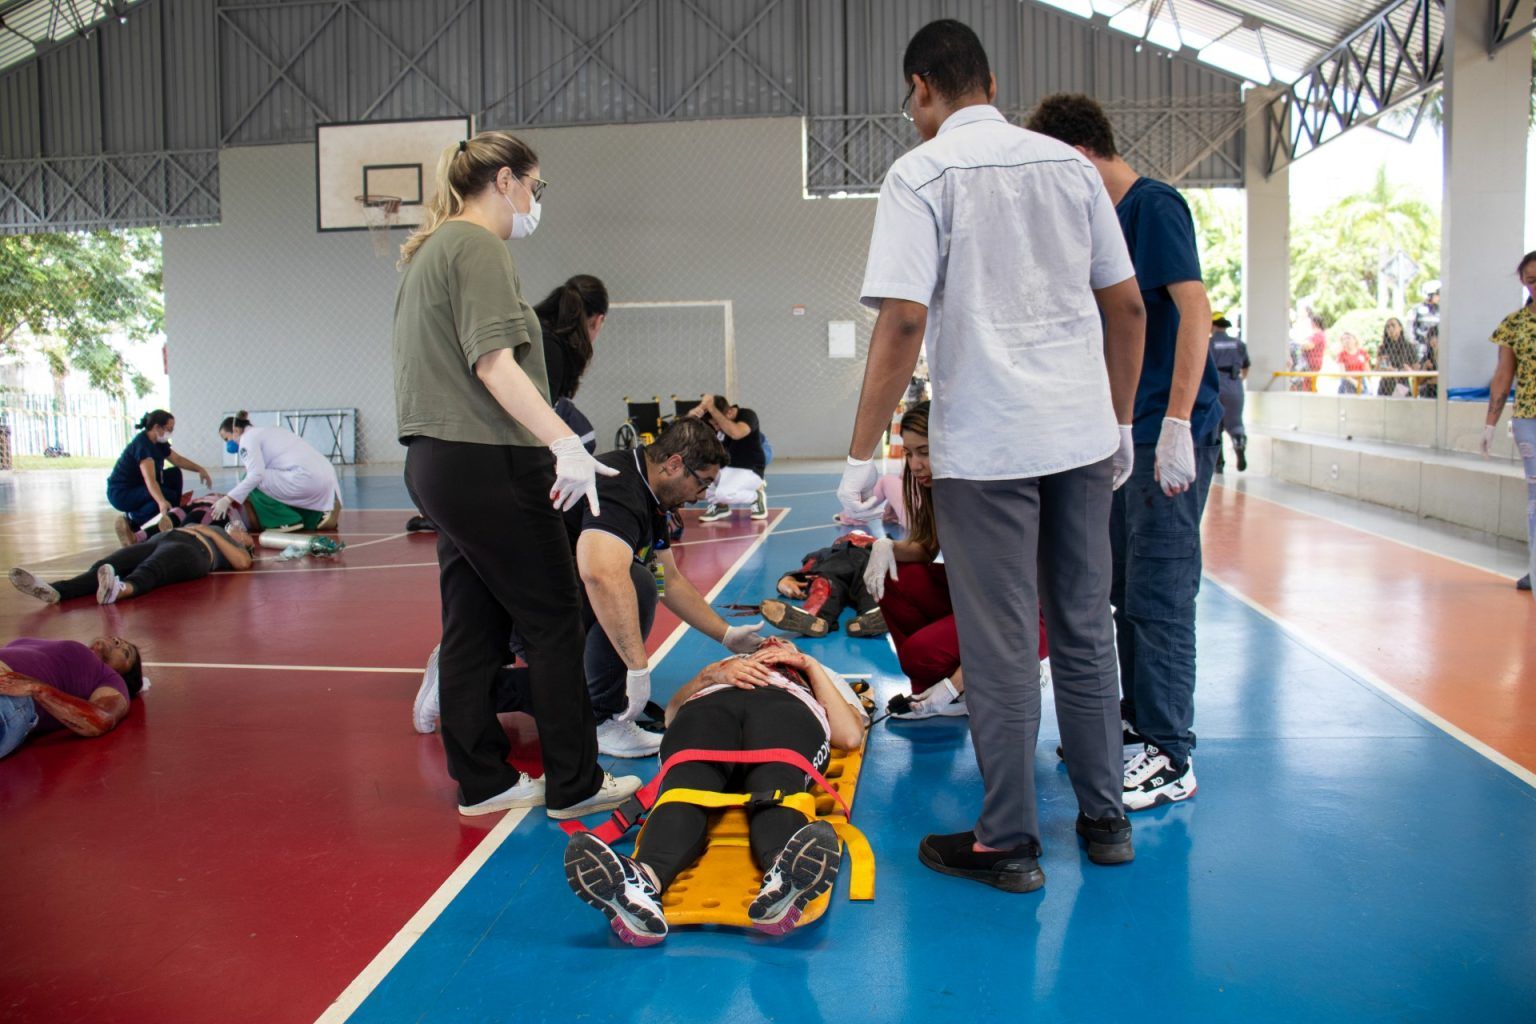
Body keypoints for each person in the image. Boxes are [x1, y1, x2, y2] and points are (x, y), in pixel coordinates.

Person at [838, 21, 1146, 891]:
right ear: (993, 82)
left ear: (921, 88)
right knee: (1086, 631)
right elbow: (1127, 310)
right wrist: (1121, 423)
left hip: (990, 446)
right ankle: (1106, 819)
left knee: (1004, 641)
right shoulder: (1069, 167)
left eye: (910, 99)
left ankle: (1008, 843)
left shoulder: (921, 172)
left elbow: (902, 320)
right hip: (1082, 436)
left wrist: (865, 454)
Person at [391, 128, 638, 819]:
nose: (535, 199)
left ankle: (484, 781)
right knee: (555, 618)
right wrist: (564, 442)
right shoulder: (475, 245)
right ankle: (575, 782)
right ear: (505, 180)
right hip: (485, 459)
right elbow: (493, 363)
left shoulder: (432, 251)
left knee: (471, 623)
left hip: (437, 463)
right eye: (536, 184)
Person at [1029, 92, 1222, 813]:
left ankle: (1172, 754)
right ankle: (1139, 723)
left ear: (1078, 155)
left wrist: (1175, 423)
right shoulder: (1098, 226)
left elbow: (1194, 312)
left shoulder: (1155, 207)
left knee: (1162, 594)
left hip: (1162, 431)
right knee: (1122, 592)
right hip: (1118, 435)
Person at [412, 418, 766, 757]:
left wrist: (726, 635)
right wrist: (637, 667)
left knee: (640, 586)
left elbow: (668, 579)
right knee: (634, 583)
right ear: (675, 464)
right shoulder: (620, 484)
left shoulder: (651, 493)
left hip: (539, 602)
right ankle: (595, 718)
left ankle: (460, 676)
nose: (701, 495)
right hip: (520, 613)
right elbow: (600, 573)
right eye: (701, 482)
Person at [562, 639, 865, 946]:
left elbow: (850, 735)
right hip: (710, 706)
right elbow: (671, 716)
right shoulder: (722, 669)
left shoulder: (816, 672)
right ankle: (640, 881)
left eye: (783, 641)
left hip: (787, 706)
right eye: (765, 642)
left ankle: (783, 873)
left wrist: (809, 666)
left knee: (775, 779)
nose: (772, 641)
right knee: (686, 786)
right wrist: (708, 676)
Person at [861, 403, 1048, 722]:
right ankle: (931, 692)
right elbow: (926, 546)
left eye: (925, 452)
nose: (915, 464)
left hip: (1025, 619)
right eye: (908, 453)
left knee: (920, 654)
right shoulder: (940, 490)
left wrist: (956, 682)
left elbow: (1004, 609)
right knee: (895, 578)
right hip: (981, 598)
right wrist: (885, 546)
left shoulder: (986, 502)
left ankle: (1003, 675)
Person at [10, 521, 256, 606]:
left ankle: (120, 590)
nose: (236, 527)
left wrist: (211, 533)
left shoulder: (234, 546)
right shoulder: (214, 525)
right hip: (163, 539)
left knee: (153, 568)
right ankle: (57, 591)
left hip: (194, 550)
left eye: (242, 532)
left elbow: (243, 563)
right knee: (108, 563)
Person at [1480, 250, 1536, 596]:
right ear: (1523, 282)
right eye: (1531, 280)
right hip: (1530, 416)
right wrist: (1490, 424)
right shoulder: (1514, 324)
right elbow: (1503, 375)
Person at [0, 636, 144, 758]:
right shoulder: (39, 643)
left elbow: (103, 718)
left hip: (13, 697)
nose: (117, 641)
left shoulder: (110, 677)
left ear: (124, 674)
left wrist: (38, 689)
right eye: (118, 639)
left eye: (126, 652)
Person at [213, 413, 341, 532]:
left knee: (252, 479)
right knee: (272, 484)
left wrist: (228, 499)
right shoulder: (268, 431)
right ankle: (316, 518)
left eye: (227, 439)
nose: (227, 444)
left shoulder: (247, 439)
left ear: (236, 430)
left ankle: (284, 522)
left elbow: (256, 475)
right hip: (325, 478)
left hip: (303, 479)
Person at [106, 410, 213, 545]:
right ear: (157, 427)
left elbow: (177, 459)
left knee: (175, 474)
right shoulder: (143, 446)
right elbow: (150, 480)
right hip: (122, 493)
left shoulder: (159, 443)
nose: (170, 433)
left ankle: (173, 516)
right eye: (169, 429)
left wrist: (199, 469)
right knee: (163, 497)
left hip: (139, 487)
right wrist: (162, 501)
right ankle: (133, 520)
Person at [533, 274, 609, 454]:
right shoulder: (551, 348)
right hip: (515, 437)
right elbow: (539, 415)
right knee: (583, 435)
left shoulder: (541, 331)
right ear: (598, 320)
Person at [762, 533, 888, 639]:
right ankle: (811, 618)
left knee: (874, 585)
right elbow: (805, 570)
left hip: (867, 570)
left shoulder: (878, 551)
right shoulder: (825, 553)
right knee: (822, 586)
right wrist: (786, 580)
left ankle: (873, 616)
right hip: (834, 573)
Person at [690, 395, 768, 522]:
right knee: (692, 488)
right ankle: (721, 506)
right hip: (726, 469)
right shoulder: (714, 423)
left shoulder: (747, 415)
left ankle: (755, 496)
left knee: (724, 494)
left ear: (730, 412)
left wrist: (712, 408)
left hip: (750, 468)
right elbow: (684, 433)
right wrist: (692, 415)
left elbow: (736, 433)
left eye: (717, 423)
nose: (716, 428)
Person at [1209, 315, 1249, 472]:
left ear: (1212, 325)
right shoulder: (1238, 343)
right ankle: (1239, 444)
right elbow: (1246, 367)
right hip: (1234, 385)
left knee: (1215, 425)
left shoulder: (1210, 343)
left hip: (1216, 385)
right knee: (1236, 422)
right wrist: (1238, 381)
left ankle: (1218, 463)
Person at [1377, 317, 1417, 397]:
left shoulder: (1409, 347)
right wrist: (1395, 370)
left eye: (1393, 325)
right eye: (1388, 327)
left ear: (1400, 328)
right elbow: (1382, 368)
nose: (1390, 329)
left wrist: (1408, 370)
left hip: (1402, 385)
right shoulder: (1383, 348)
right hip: (1385, 385)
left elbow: (1415, 367)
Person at [1410, 281, 1441, 360]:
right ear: (1429, 294)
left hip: (1436, 348)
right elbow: (1410, 330)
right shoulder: (1417, 310)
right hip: (1420, 347)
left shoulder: (1440, 310)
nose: (1440, 296)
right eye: (1437, 293)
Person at [1304, 314, 1328, 392]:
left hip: (1313, 363)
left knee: (1309, 384)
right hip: (1311, 362)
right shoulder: (1318, 334)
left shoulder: (1318, 334)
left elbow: (1309, 346)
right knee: (1309, 383)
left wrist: (1299, 345)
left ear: (1314, 323)